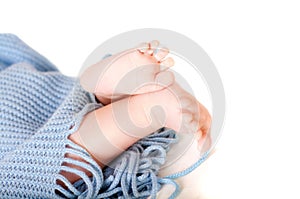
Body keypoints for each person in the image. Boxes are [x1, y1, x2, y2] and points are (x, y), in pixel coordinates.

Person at [0, 34, 211, 198]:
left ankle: (143, 112)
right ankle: (105, 89)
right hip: (27, 85)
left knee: (35, 172)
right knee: (77, 100)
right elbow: (12, 47)